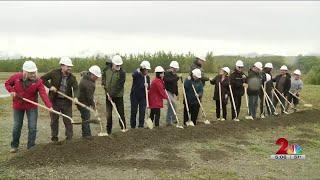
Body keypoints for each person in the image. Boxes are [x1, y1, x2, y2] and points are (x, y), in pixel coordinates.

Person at [5, 61, 52, 153]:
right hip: (18, 105)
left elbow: (43, 94)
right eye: (31, 73)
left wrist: (49, 106)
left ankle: (31, 147)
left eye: (34, 72)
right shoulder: (16, 77)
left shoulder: (38, 81)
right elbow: (7, 84)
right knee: (17, 126)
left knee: (32, 127)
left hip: (32, 106)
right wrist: (11, 91)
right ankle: (14, 145)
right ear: (24, 72)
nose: (33, 74)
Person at [41, 57, 79, 143]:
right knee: (54, 120)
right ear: (62, 66)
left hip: (66, 102)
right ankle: (54, 138)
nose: (70, 68)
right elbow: (42, 79)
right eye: (67, 66)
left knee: (68, 120)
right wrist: (50, 86)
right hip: (54, 101)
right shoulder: (54, 73)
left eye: (70, 66)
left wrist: (76, 97)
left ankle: (69, 138)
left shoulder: (72, 77)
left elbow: (76, 88)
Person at [102, 55, 127, 134]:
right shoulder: (106, 70)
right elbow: (103, 78)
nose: (118, 66)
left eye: (120, 65)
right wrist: (104, 84)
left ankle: (123, 128)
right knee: (108, 115)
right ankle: (108, 131)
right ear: (113, 64)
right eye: (117, 65)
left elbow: (119, 86)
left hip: (118, 96)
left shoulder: (122, 73)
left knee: (121, 113)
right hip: (108, 96)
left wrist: (111, 94)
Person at [77, 65, 102, 139]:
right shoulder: (88, 83)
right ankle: (87, 135)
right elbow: (89, 98)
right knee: (86, 118)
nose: (97, 78)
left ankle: (85, 134)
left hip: (83, 100)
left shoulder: (88, 77)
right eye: (96, 76)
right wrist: (94, 106)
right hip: (83, 102)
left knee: (85, 117)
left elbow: (90, 95)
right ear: (92, 74)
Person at [130, 60, 151, 128]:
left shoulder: (147, 77)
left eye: (148, 70)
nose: (147, 71)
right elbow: (133, 74)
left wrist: (147, 86)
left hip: (143, 97)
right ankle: (133, 126)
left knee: (142, 112)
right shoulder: (136, 75)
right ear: (143, 69)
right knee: (134, 111)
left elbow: (149, 88)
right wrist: (139, 69)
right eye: (146, 70)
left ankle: (141, 126)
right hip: (134, 96)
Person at [164, 61, 180, 126]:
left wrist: (177, 93)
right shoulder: (166, 73)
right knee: (173, 104)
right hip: (167, 91)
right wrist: (177, 78)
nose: (175, 70)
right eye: (174, 68)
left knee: (171, 106)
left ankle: (169, 121)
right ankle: (173, 119)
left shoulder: (175, 75)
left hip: (172, 93)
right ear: (172, 68)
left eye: (176, 69)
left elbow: (175, 85)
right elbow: (169, 80)